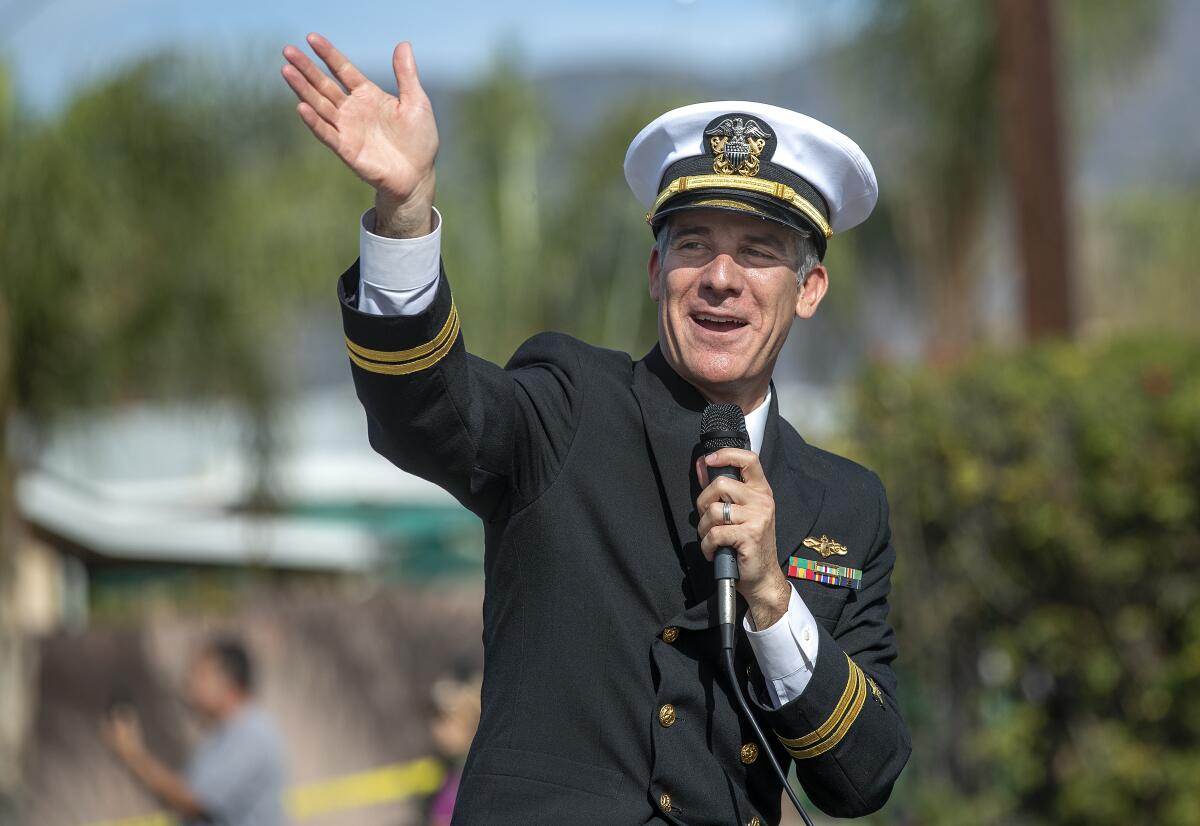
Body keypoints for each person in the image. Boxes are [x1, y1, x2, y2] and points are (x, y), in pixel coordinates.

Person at [281, 32, 910, 825]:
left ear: (810, 288)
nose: (720, 277)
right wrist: (404, 215)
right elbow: (426, 416)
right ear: (656, 273)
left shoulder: (845, 504)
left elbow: (866, 776)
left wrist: (772, 598)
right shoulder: (572, 402)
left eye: (756, 252)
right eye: (693, 246)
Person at [103, 636, 287, 826]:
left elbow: (193, 800)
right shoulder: (223, 735)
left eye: (201, 675)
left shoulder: (250, 735)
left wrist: (134, 754)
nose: (189, 683)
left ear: (231, 683)